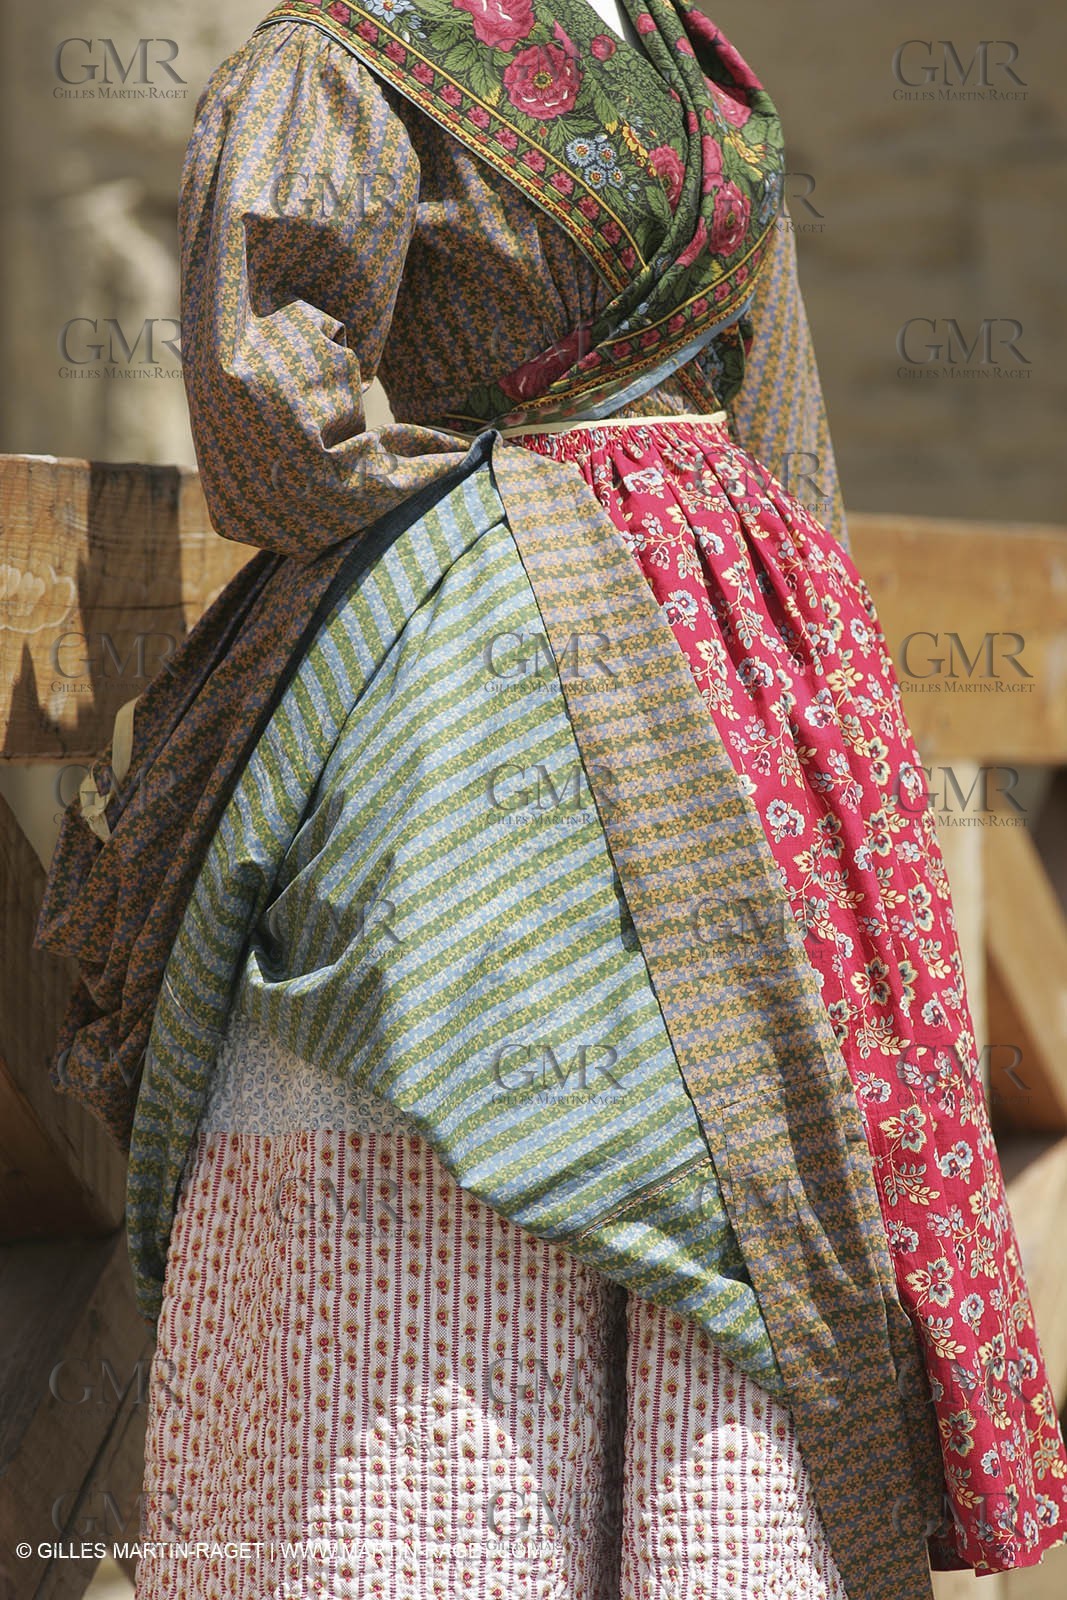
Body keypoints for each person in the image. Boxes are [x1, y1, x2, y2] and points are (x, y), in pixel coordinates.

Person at [34, 2, 1067, 1597]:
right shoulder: (352, 49)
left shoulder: (701, 62)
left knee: (755, 1194)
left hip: (750, 699)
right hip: (474, 695)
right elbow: (266, 422)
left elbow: (781, 430)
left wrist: (828, 677)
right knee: (440, 1089)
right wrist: (507, 509)